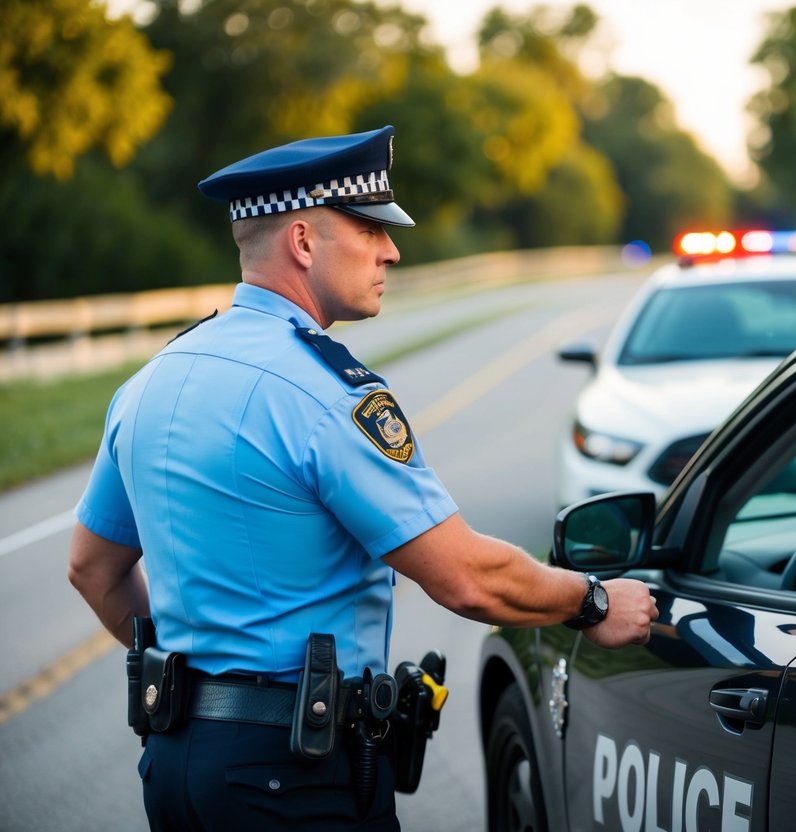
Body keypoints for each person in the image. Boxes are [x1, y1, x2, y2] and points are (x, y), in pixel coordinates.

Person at [67, 125, 658, 831]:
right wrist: (592, 602)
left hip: (173, 767)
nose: (392, 250)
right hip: (293, 776)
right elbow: (465, 577)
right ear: (304, 240)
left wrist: (203, 685)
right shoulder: (323, 393)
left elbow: (92, 570)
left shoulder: (150, 381)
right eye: (371, 227)